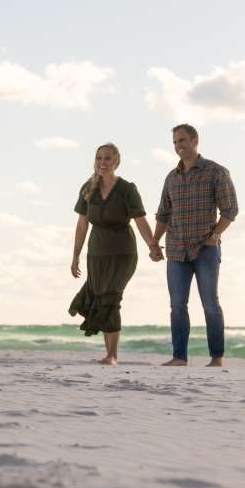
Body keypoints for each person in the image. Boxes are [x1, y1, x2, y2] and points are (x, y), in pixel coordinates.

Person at [153, 124, 238, 367]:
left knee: (210, 305)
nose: (179, 146)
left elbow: (230, 209)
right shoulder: (172, 177)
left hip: (206, 250)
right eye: (175, 143)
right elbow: (163, 214)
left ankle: (216, 358)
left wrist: (215, 234)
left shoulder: (216, 172)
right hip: (176, 250)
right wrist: (154, 242)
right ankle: (179, 357)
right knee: (177, 306)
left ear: (195, 140)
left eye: (182, 141)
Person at [69, 143, 159, 365]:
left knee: (112, 297)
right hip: (96, 253)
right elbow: (82, 226)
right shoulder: (88, 188)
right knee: (100, 297)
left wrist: (152, 245)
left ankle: (112, 355)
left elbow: (140, 220)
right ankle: (108, 353)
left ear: (116, 161)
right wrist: (75, 255)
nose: (103, 162)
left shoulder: (127, 189)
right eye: (99, 158)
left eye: (108, 158)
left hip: (122, 253)